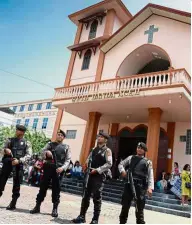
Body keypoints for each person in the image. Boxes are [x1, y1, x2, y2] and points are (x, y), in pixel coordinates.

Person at [72, 131, 113, 224]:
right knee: (85, 196)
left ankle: (95, 219)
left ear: (105, 140)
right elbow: (88, 159)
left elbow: (109, 163)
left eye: (101, 137)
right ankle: (82, 216)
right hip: (90, 174)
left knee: (97, 197)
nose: (99, 138)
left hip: (99, 176)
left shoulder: (107, 150)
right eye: (98, 136)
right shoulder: (93, 149)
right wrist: (85, 165)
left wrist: (98, 170)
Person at [30, 129, 71, 217]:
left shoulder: (66, 147)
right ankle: (37, 206)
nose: (59, 136)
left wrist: (62, 168)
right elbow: (41, 153)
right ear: (56, 135)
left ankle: (55, 209)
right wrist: (46, 152)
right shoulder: (50, 144)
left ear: (63, 137)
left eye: (61, 135)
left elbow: (68, 160)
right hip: (48, 168)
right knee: (42, 187)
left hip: (58, 170)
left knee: (56, 190)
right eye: (58, 134)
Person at [118, 142, 154, 224]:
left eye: (141, 148)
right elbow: (121, 164)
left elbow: (150, 174)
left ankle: (140, 222)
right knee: (125, 205)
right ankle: (122, 222)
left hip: (140, 186)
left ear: (144, 151)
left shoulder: (148, 162)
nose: (139, 149)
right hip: (129, 184)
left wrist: (150, 187)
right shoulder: (131, 158)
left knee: (140, 206)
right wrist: (123, 171)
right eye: (138, 147)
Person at [0, 124, 32, 210]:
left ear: (22, 132)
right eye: (17, 129)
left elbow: (29, 155)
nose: (16, 131)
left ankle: (13, 203)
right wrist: (5, 150)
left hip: (18, 165)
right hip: (7, 163)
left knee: (17, 184)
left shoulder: (26, 143)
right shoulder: (9, 140)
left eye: (18, 130)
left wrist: (19, 160)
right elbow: (1, 150)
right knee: (1, 180)